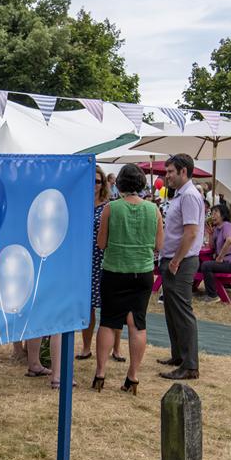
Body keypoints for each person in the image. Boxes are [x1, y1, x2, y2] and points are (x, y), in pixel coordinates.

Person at [94, 163, 163, 393]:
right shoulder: (154, 210)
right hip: (142, 273)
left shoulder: (111, 208)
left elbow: (101, 244)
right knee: (137, 324)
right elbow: (158, 245)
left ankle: (100, 373)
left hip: (114, 270)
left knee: (108, 321)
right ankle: (132, 376)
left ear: (120, 183)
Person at [156, 154, 203, 381]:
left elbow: (191, 232)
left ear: (183, 171)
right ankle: (179, 355)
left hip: (181, 262)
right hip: (174, 259)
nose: (167, 177)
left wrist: (175, 261)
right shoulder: (181, 195)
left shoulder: (190, 196)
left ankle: (190, 365)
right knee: (172, 310)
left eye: (170, 172)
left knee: (182, 312)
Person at [78, 166, 123, 362]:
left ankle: (117, 349)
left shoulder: (109, 206)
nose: (93, 185)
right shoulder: (79, 204)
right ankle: (86, 347)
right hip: (84, 262)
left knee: (111, 307)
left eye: (97, 181)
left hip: (104, 260)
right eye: (91, 181)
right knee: (87, 307)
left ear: (103, 184)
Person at [199, 204, 231, 302]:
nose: (213, 215)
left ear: (223, 215)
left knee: (206, 265)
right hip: (228, 262)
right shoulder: (217, 229)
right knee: (202, 265)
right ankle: (201, 289)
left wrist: (220, 257)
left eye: (216, 212)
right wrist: (211, 234)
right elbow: (211, 247)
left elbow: (229, 240)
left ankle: (212, 296)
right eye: (212, 213)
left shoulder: (226, 225)